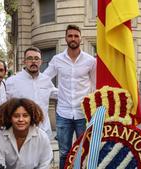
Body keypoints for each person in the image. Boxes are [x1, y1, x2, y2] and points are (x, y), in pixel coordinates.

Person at [43, 24, 96, 169]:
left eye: (76, 36)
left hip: (83, 114)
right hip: (63, 113)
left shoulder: (90, 61)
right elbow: (44, 79)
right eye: (70, 36)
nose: (73, 38)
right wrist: (57, 93)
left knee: (84, 151)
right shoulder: (57, 59)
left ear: (81, 39)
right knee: (64, 153)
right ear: (66, 38)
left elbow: (95, 84)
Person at [6, 46, 57, 138]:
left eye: (37, 59)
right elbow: (4, 106)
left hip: (43, 131)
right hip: (21, 133)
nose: (33, 61)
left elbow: (59, 94)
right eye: (30, 58)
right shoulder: (12, 82)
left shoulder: (46, 80)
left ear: (41, 62)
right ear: (24, 61)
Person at [0, 98, 52, 169]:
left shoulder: (42, 137)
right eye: (16, 116)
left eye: (25, 115)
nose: (21, 119)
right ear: (10, 118)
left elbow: (45, 165)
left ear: (31, 118)